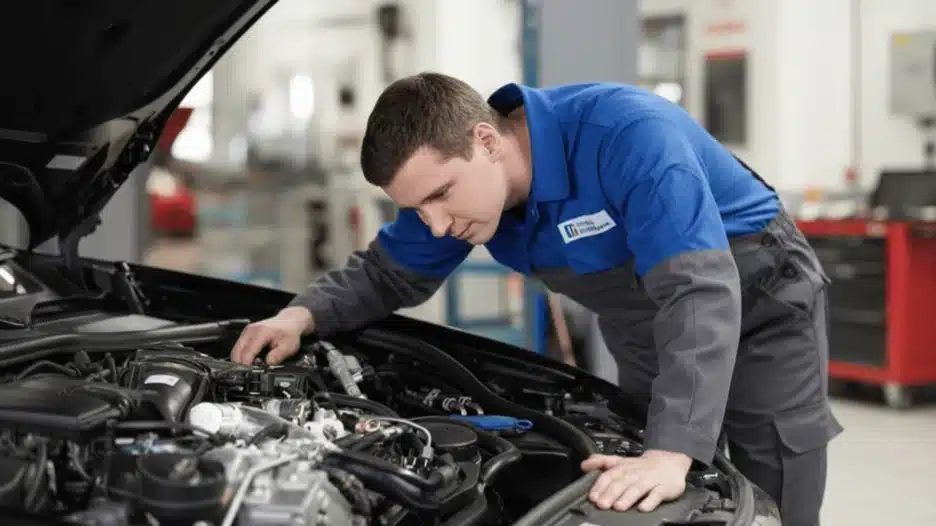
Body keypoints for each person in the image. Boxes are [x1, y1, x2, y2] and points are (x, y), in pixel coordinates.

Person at [230, 72, 843, 525]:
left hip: (758, 292)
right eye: (417, 207)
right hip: (643, 319)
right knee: (650, 491)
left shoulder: (627, 135)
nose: (436, 224)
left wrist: (673, 449)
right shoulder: (460, 191)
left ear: (487, 141)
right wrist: (301, 315)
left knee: (767, 490)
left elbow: (697, 292)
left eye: (441, 195)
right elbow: (389, 272)